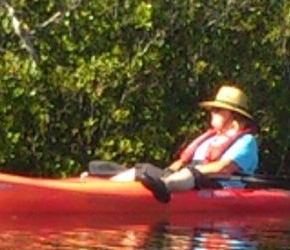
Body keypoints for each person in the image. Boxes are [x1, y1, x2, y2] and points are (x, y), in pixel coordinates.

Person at [95, 85, 261, 203]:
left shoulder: (246, 141)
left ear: (233, 116)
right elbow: (182, 162)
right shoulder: (210, 138)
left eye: (218, 110)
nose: (212, 113)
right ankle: (100, 190)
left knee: (190, 174)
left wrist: (189, 172)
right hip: (188, 178)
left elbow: (224, 168)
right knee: (144, 169)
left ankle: (164, 187)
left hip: (220, 184)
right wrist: (169, 171)